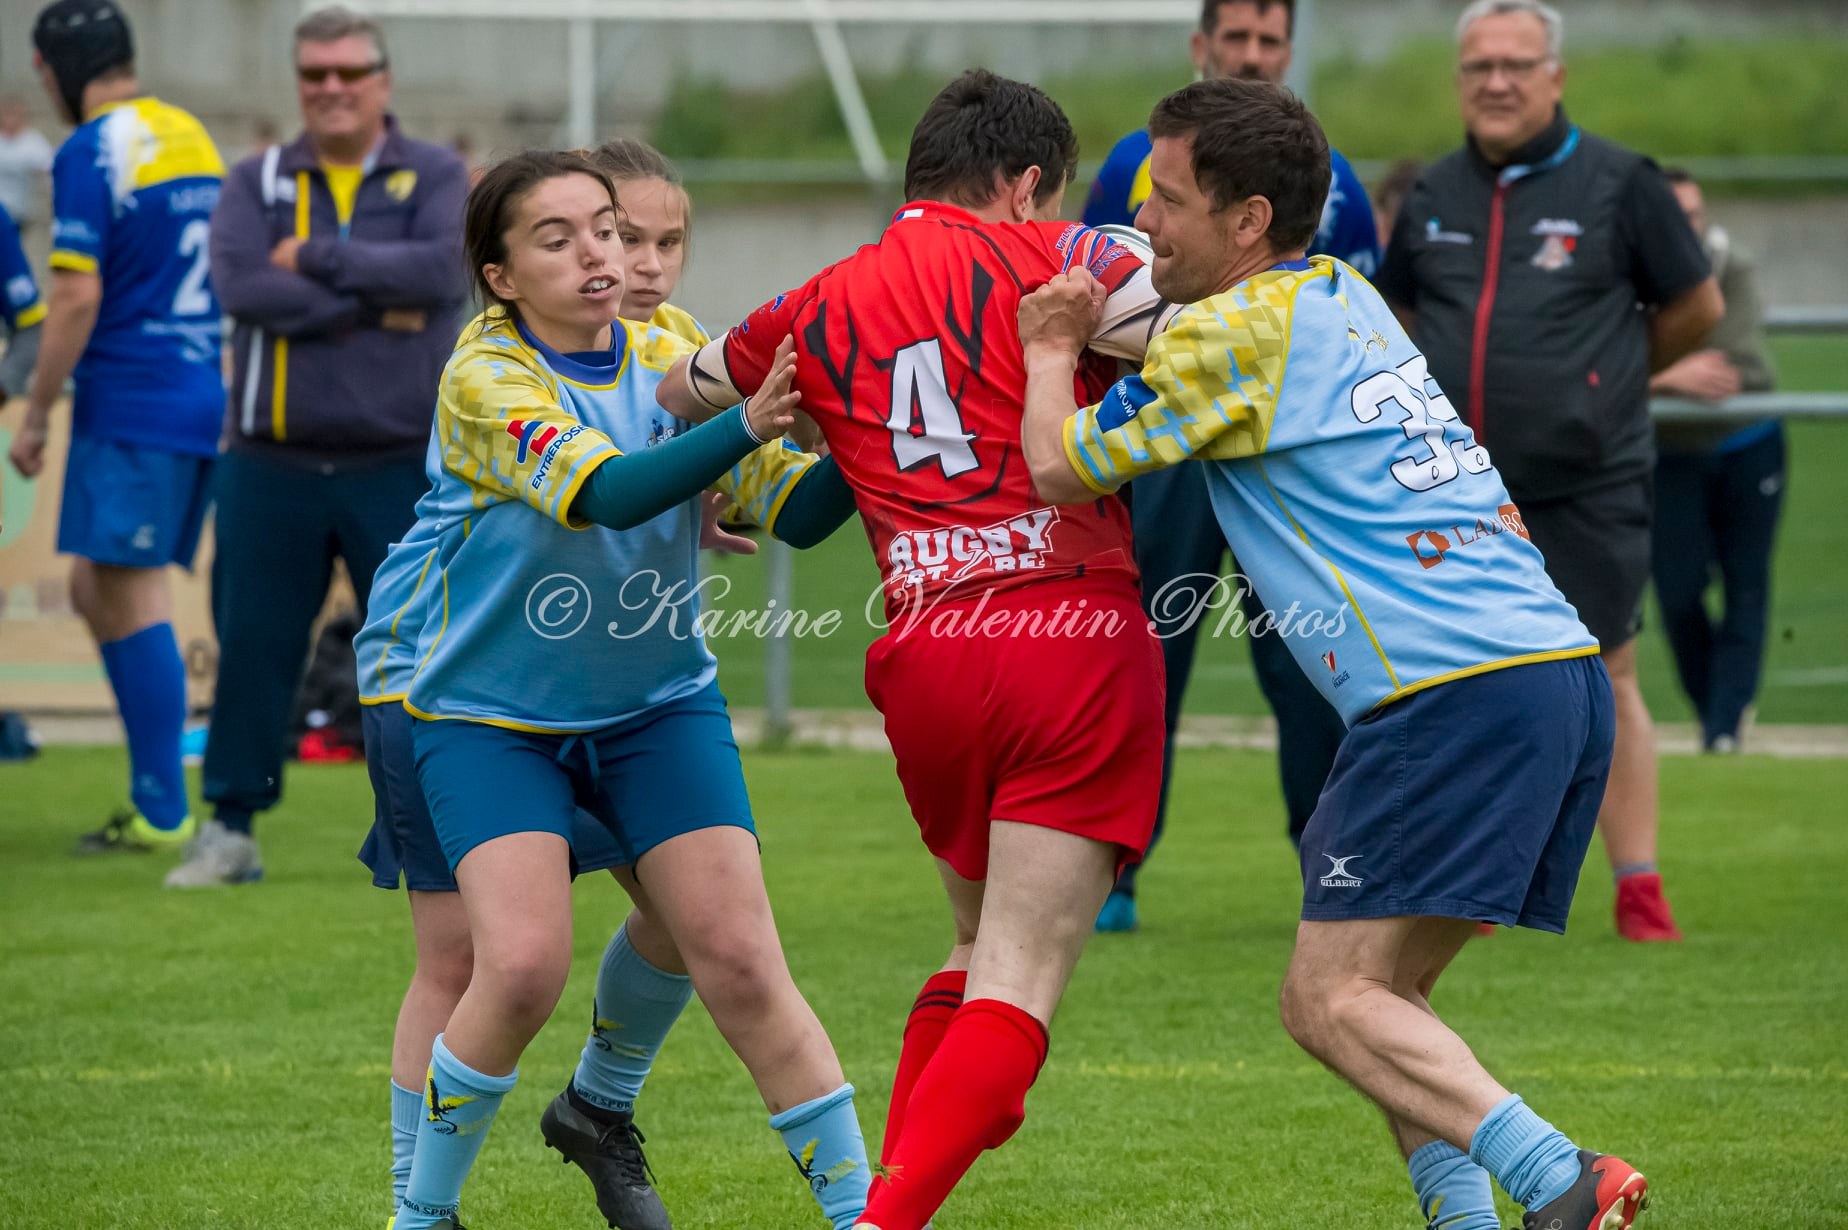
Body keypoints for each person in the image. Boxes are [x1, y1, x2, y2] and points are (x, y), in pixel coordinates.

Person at [1018, 74, 1650, 1230]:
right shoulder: (1338, 291)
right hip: (1549, 678)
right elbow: (1199, 337)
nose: (1143, 220)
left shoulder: (1224, 338)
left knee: (1325, 1000)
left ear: (1249, 218)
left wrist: (1053, 346)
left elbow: (1059, 467)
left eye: (1167, 198)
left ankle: (1564, 1177)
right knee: (1387, 994)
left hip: (1449, 695)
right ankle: (1464, 1220)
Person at [660, 70, 1176, 1230]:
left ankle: (886, 1198)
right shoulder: (1067, 256)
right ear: (1028, 182)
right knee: (1017, 981)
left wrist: (785, 412)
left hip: (928, 647)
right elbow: (1203, 335)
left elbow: (681, 384)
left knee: (974, 946)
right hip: (1065, 631)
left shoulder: (819, 298)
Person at [386, 149, 870, 1230]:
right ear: (501, 275)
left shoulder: (671, 353)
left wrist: (874, 423)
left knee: (739, 957)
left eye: (606, 228)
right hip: (492, 720)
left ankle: (862, 1216)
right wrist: (744, 422)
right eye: (557, 239)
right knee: (517, 970)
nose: (602, 254)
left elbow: (797, 515)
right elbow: (606, 492)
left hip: (657, 708)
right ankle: (421, 1217)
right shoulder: (485, 373)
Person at [1374, 0, 1723, 943]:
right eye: (1479, 66)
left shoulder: (1622, 183)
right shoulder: (1433, 192)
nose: (1496, 82)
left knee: (1606, 670)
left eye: (1516, 65)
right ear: (1459, 80)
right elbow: (1397, 317)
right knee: (1464, 680)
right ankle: (1481, 881)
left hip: (1587, 477)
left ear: (1555, 76)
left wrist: (1608, 382)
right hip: (1458, 489)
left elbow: (1697, 305)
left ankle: (1638, 885)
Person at [1081, 0, 1380, 932]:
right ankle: (1116, 872)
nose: (1252, 55)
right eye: (1236, 39)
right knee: (1144, 655)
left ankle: (1333, 863)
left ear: (1289, 50)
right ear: (1200, 45)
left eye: (1269, 40)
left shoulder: (1335, 180)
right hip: (1169, 443)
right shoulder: (1134, 165)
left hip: (1283, 453)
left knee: (1310, 662)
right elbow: (1092, 302)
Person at [168, 5, 470, 887]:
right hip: (271, 463)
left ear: (383, 80)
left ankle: (439, 832)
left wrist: (312, 260)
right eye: (315, 74)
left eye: (349, 72)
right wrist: (372, 303)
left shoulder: (437, 173)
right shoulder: (256, 179)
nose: (331, 88)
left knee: (421, 652)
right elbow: (241, 286)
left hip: (401, 463)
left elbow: (440, 273)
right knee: (252, 650)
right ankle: (230, 828)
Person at [9, 0, 224, 856]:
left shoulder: (90, 148)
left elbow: (74, 295)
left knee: (129, 591)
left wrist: (34, 412)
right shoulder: (188, 132)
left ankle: (163, 811)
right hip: (195, 386)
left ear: (54, 69)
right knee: (95, 588)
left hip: (137, 394)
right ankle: (153, 793)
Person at [1649, 167, 1782, 754]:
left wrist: (1647, 365)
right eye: (1674, 216)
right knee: (1677, 592)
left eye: (1695, 215)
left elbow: (1737, 368)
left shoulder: (1733, 265)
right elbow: (1604, 359)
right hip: (1668, 450)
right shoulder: (1629, 269)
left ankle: (1724, 728)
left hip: (1747, 443)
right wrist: (1665, 376)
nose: (1688, 227)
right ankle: (1714, 711)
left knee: (1747, 585)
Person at [0, 95, 53, 236]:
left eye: (15, 114)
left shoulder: (33, 142)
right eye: (7, 114)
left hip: (19, 213)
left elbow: (48, 169)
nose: (11, 119)